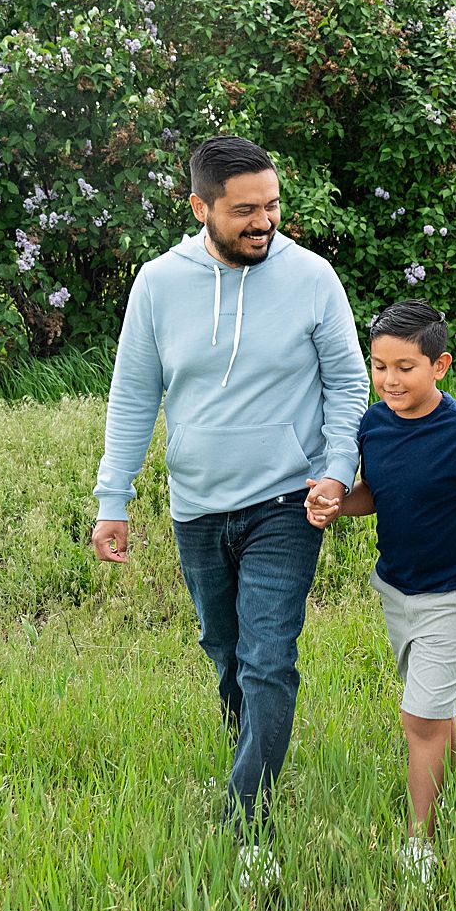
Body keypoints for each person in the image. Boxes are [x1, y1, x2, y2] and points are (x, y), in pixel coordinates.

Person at [92, 135, 370, 871]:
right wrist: (111, 498)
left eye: (273, 205)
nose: (264, 222)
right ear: (200, 207)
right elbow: (133, 397)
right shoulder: (157, 283)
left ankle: (248, 825)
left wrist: (336, 470)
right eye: (244, 210)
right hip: (196, 507)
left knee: (269, 659)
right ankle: (255, 749)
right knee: (225, 653)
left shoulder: (313, 278)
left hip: (289, 501)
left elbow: (348, 385)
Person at [304, 299, 456, 880]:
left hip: (455, 593)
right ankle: (450, 786)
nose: (389, 380)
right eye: (379, 365)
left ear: (439, 366)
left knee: (418, 716)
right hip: (397, 588)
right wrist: (340, 503)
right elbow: (378, 492)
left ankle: (421, 842)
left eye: (405, 367)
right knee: (433, 710)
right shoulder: (374, 424)